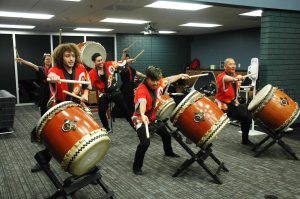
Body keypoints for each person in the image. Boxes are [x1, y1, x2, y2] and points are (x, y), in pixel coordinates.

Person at [31, 43, 90, 173]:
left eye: (73, 56)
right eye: (67, 56)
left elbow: (87, 85)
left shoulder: (81, 68)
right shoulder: (55, 70)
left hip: (77, 107)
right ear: (60, 57)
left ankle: (87, 168)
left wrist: (85, 95)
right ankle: (43, 158)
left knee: (82, 137)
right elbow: (51, 76)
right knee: (62, 139)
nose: (71, 59)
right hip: (61, 110)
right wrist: (53, 78)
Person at [131, 66, 190, 175]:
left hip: (152, 118)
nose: (155, 83)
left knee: (166, 135)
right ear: (147, 78)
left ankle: (168, 152)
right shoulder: (141, 90)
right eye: (153, 80)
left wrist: (180, 75)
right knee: (145, 143)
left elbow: (168, 79)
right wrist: (143, 114)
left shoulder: (158, 82)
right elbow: (142, 102)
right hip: (140, 119)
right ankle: (136, 166)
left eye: (157, 80)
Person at [89, 52, 134, 133]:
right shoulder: (92, 73)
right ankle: (106, 128)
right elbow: (88, 85)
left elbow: (120, 63)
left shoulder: (109, 64)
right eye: (98, 61)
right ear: (94, 62)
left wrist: (127, 61)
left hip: (115, 92)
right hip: (104, 94)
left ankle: (134, 125)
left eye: (101, 60)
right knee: (101, 112)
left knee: (125, 109)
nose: (101, 62)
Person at [215, 58, 253, 146]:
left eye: (234, 64)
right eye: (230, 64)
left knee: (248, 115)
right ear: (225, 66)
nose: (233, 66)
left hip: (233, 103)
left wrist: (239, 78)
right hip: (224, 104)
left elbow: (235, 80)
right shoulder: (221, 76)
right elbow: (227, 78)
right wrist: (236, 78)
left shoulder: (235, 75)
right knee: (245, 116)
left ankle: (245, 139)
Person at [120, 48, 146, 115]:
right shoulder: (122, 68)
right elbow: (122, 61)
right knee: (125, 101)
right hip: (125, 87)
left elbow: (138, 73)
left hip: (131, 86)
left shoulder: (131, 68)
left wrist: (146, 76)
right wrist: (124, 53)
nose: (128, 60)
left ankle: (130, 113)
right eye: (127, 59)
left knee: (131, 101)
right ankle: (125, 113)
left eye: (129, 59)